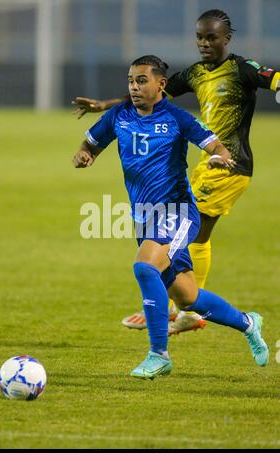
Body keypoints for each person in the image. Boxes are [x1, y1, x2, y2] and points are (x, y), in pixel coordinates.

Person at [72, 9, 280, 336]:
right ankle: (182, 304)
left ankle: (177, 310)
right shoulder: (196, 73)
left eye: (211, 37)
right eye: (199, 36)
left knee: (182, 226)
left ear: (227, 38)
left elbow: (273, 78)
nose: (204, 43)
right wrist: (106, 105)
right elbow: (151, 93)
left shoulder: (241, 69)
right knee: (185, 235)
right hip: (205, 165)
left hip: (230, 164)